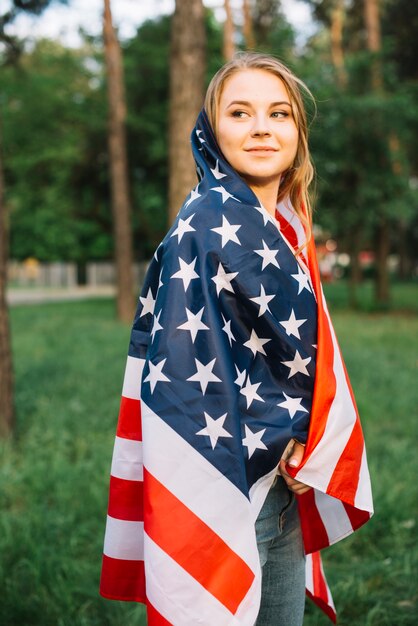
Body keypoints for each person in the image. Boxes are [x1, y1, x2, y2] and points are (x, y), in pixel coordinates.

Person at [100, 52, 373, 626]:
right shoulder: (205, 230)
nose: (260, 128)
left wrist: (309, 439)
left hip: (285, 488)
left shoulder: (283, 228)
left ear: (298, 131)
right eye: (240, 112)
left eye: (278, 114)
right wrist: (288, 438)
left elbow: (292, 358)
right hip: (224, 488)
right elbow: (185, 376)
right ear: (210, 128)